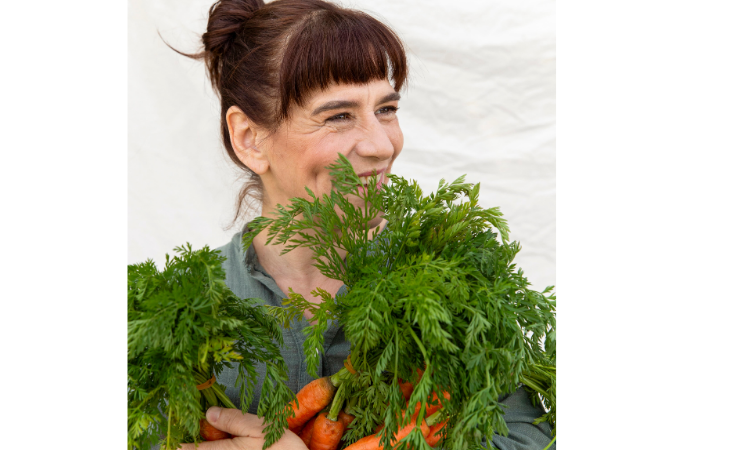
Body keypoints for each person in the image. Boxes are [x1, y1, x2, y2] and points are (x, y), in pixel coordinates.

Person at [170, 1, 555, 449]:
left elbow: (527, 440)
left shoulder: (456, 287)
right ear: (249, 139)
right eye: (338, 116)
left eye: (387, 109)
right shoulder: (181, 313)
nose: (380, 144)